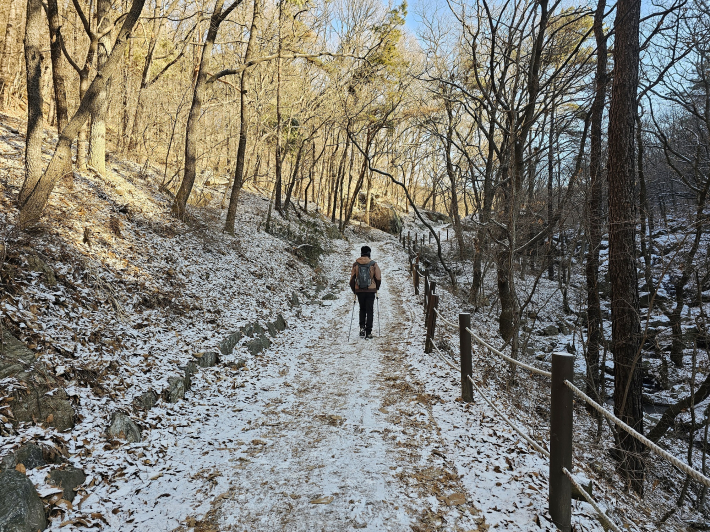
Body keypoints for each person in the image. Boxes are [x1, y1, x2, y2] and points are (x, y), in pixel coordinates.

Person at [349, 245, 382, 339]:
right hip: (371, 290)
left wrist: (355, 290)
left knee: (362, 309)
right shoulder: (373, 264)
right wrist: (376, 287)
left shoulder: (356, 264)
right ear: (369, 253)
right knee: (370, 310)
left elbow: (352, 279)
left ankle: (362, 328)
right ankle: (368, 332)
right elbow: (378, 277)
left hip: (360, 290)